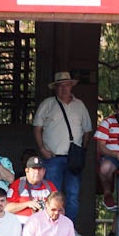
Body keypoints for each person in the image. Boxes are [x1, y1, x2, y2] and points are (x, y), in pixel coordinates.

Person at [32, 71, 91, 223]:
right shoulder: (47, 104)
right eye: (60, 86)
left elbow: (87, 131)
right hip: (53, 158)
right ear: (55, 88)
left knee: (73, 195)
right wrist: (42, 149)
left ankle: (69, 227)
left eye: (67, 85)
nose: (64, 88)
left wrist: (82, 151)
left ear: (71, 86)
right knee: (52, 194)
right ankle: (51, 225)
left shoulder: (80, 105)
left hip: (73, 158)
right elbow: (37, 128)